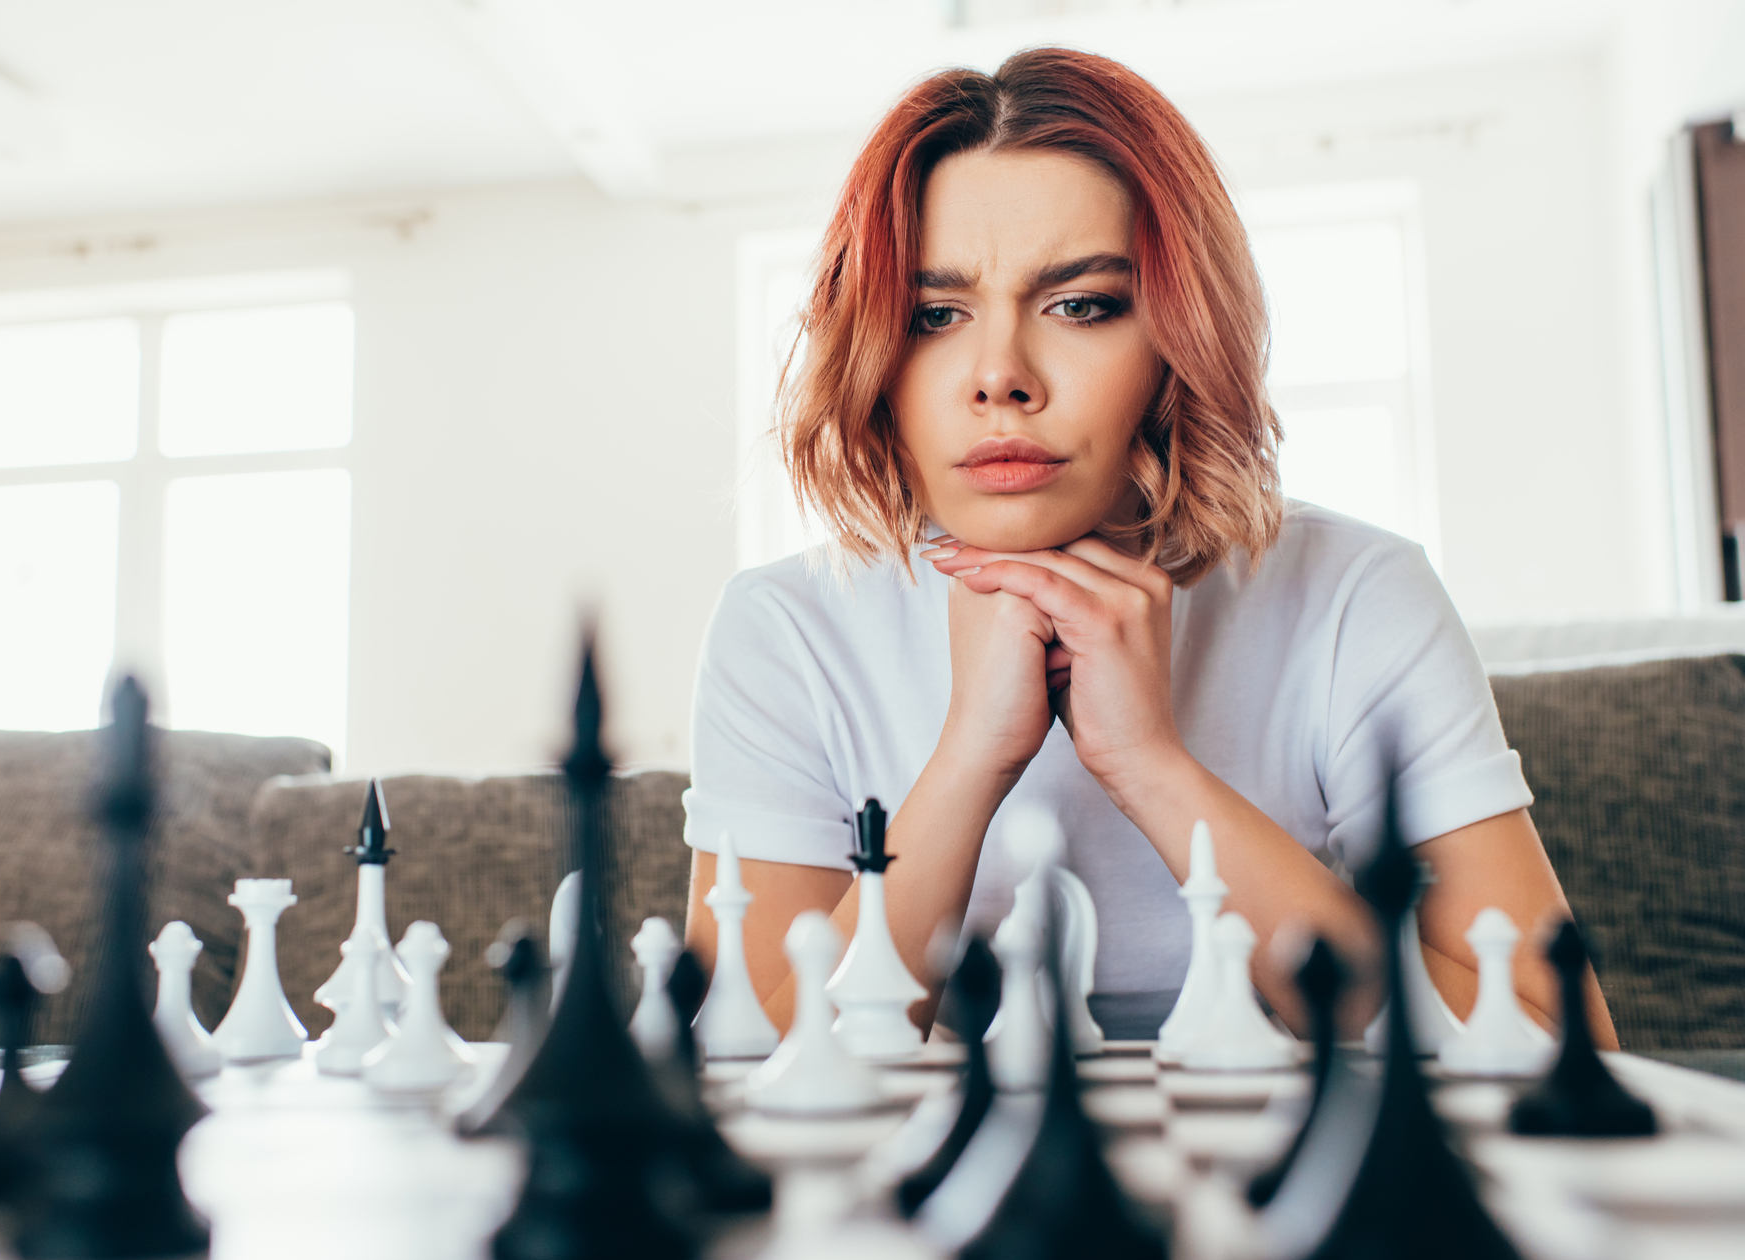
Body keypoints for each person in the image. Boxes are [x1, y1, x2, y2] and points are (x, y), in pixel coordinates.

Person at [681, 46, 1617, 1046]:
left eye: (1080, 304)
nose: (998, 376)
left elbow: (1553, 1041)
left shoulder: (1356, 593)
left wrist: (1150, 766)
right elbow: (744, 1067)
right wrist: (965, 763)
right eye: (934, 315)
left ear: (1179, 332)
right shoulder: (784, 628)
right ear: (875, 348)